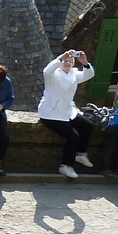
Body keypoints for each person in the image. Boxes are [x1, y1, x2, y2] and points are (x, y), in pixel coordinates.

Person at [38, 50, 96, 178]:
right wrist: (60, 57)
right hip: (50, 114)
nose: (68, 63)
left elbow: (89, 74)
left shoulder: (73, 74)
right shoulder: (53, 75)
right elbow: (47, 70)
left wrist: (85, 62)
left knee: (87, 125)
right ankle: (65, 166)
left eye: (71, 61)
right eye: (65, 61)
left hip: (67, 111)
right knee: (73, 136)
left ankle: (80, 154)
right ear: (60, 63)